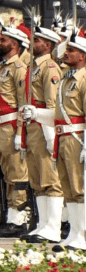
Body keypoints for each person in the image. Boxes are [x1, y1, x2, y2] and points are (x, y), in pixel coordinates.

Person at [19, 24, 64, 243]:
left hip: (43, 125)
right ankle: (43, 224)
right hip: (32, 125)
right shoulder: (33, 67)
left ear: (47, 45)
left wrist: (50, 135)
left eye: (36, 40)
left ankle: (53, 227)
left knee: (50, 178)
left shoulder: (50, 68)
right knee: (37, 178)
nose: (31, 43)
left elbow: (53, 104)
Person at [0, 23, 30, 238]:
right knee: (6, 174)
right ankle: (10, 215)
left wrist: (20, 132)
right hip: (0, 127)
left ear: (14, 44)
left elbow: (23, 103)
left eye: (3, 40)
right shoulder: (3, 68)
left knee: (17, 174)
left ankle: (19, 217)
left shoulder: (19, 69)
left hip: (11, 126)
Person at [52, 32, 86, 250]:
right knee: (68, 188)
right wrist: (35, 114)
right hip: (63, 136)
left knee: (79, 188)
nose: (66, 53)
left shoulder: (83, 79)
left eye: (71, 50)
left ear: (82, 55)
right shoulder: (66, 78)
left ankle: (82, 235)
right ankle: (74, 232)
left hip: (77, 138)